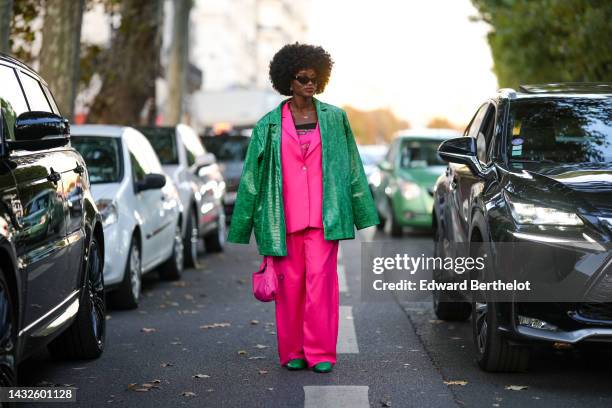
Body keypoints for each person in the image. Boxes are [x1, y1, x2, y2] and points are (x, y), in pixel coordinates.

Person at [227, 42, 379, 373]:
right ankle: (293, 351)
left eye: (314, 78)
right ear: (288, 81)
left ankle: (321, 353)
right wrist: (241, 226)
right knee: (290, 288)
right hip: (282, 218)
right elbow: (252, 177)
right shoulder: (268, 123)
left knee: (322, 286)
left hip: (326, 217)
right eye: (302, 77)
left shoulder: (336, 118)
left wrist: (364, 214)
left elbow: (352, 166)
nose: (309, 83)